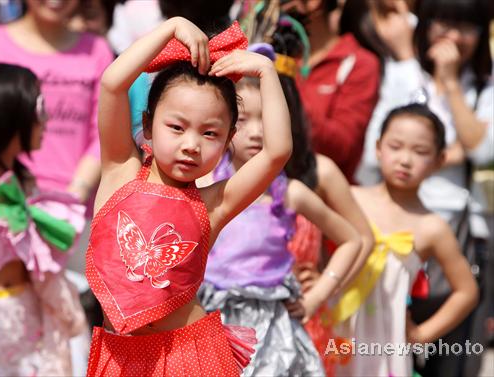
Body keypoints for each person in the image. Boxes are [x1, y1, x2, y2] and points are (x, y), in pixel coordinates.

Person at [85, 17, 293, 376]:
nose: (191, 145)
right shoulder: (118, 169)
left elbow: (277, 152)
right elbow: (112, 84)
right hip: (117, 357)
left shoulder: (215, 204)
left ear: (229, 142)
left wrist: (266, 73)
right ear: (148, 125)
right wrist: (172, 28)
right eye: (176, 127)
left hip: (190, 356)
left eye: (210, 133)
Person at [199, 64, 362, 374]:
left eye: (266, 119)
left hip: (273, 330)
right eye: (243, 120)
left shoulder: (291, 193)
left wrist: (316, 297)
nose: (257, 131)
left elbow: (352, 239)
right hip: (212, 319)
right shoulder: (205, 184)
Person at [357, 1, 493, 374]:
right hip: (391, 225)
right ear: (426, 25)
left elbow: (482, 150)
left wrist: (449, 84)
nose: (452, 36)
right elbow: (373, 152)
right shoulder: (402, 73)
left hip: (459, 231)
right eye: (443, 22)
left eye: (466, 27)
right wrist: (450, 152)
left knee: (452, 353)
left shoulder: (486, 86)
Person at [0, 63, 86, 376]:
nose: (46, 120)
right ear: (6, 116)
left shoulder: (24, 182)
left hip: (24, 328)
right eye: (38, 109)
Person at [333, 104, 479, 377]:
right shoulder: (350, 198)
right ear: (378, 147)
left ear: (439, 160)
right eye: (395, 146)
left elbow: (467, 291)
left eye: (420, 151)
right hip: (335, 332)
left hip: (387, 345)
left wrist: (423, 334)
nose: (405, 159)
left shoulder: (432, 226)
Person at [0, 0, 114, 204]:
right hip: (4, 199)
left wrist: (76, 193)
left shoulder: (97, 50)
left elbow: (104, 130)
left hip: (75, 207)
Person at [281, 0, 381, 182]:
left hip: (321, 194)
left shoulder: (360, 63)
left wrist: (285, 84)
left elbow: (342, 148)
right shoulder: (268, 53)